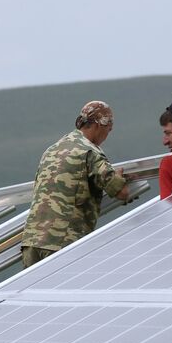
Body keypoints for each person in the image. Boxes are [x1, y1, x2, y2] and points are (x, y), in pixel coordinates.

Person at [20, 100, 133, 267]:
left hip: (31, 242)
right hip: (63, 240)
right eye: (108, 129)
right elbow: (121, 192)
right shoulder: (89, 151)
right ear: (99, 125)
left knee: (32, 292)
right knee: (62, 292)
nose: (107, 134)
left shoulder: (52, 150)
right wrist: (118, 177)